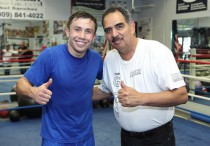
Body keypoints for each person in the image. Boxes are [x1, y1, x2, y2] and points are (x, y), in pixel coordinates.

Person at [93, 6, 188, 146]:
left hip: (157, 139)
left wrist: (141, 98)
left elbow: (181, 95)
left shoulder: (156, 51)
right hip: (127, 137)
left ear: (132, 26)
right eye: (108, 30)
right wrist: (69, 91)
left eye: (119, 26)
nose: (114, 34)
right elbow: (106, 90)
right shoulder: (110, 58)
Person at [15, 11, 103, 146]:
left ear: (94, 36)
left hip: (86, 137)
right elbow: (20, 84)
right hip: (55, 138)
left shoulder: (96, 59)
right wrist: (32, 91)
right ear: (67, 32)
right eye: (77, 29)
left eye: (88, 31)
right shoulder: (50, 56)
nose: (82, 36)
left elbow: (109, 84)